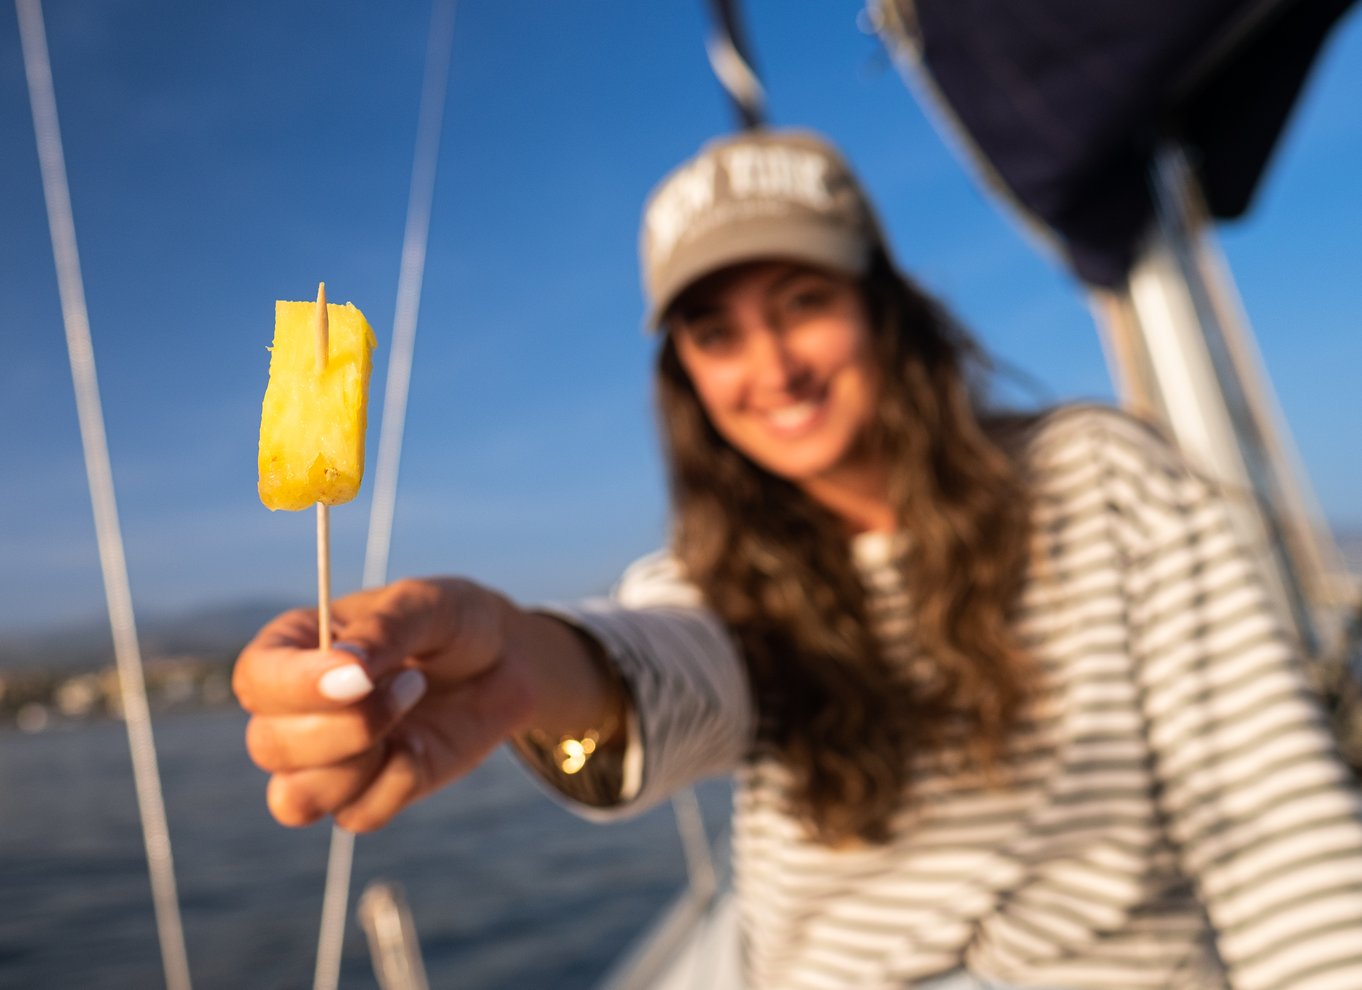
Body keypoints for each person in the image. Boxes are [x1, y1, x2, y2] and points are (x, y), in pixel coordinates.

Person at [234, 129, 1362, 989]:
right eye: (715, 331)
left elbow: (1280, 843)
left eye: (804, 301)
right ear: (684, 374)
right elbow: (663, 671)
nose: (770, 365)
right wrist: (526, 667)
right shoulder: (711, 578)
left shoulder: (1103, 481)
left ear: (883, 311)